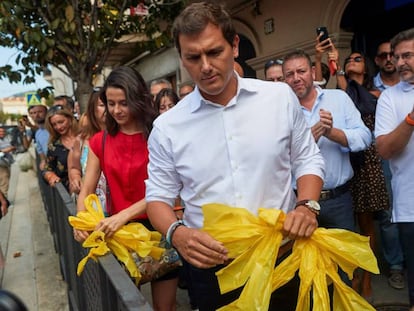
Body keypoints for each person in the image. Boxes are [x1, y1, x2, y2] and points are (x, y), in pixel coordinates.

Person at [145, 3, 325, 310]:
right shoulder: (166, 127)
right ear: (182, 59)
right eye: (193, 57)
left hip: (283, 260)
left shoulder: (279, 98)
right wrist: (177, 233)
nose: (205, 66)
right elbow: (157, 197)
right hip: (214, 270)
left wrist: (307, 206)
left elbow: (307, 159)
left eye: (214, 52)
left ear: (235, 46)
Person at [73, 66, 177, 311]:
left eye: (123, 103)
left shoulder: (159, 134)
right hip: (119, 235)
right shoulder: (101, 140)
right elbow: (87, 187)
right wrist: (81, 220)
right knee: (126, 305)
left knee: (166, 308)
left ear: (138, 99)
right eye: (111, 103)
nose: (117, 110)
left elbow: (165, 188)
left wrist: (122, 215)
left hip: (160, 226)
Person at [282, 49, 371, 233]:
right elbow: (277, 159)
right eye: (290, 74)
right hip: (299, 205)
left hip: (338, 200)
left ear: (313, 73)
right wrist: (308, 139)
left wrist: (332, 133)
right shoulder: (281, 110)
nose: (296, 78)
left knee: (346, 260)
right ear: (285, 80)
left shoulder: (338, 98)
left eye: (301, 71)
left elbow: (365, 138)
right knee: (306, 261)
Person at [326, 46, 390, 301]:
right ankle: (349, 275)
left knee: (367, 227)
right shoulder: (343, 94)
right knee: (348, 227)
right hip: (346, 161)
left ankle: (366, 280)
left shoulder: (375, 93)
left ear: (366, 67)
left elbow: (362, 101)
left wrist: (341, 73)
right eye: (348, 59)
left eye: (357, 59)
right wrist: (330, 63)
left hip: (369, 165)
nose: (351, 62)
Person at [375, 27, 414, 311]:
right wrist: (411, 119)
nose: (400, 62)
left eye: (408, 55)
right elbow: (385, 149)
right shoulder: (390, 98)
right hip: (410, 206)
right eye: (397, 57)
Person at [373, 40, 405, 291]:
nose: (390, 60)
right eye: (384, 55)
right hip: (386, 162)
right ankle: (396, 266)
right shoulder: (377, 92)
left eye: (392, 55)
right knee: (389, 214)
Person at [68, 89, 107, 211]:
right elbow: (74, 168)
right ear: (92, 109)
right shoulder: (81, 140)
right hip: (92, 207)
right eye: (102, 105)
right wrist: (75, 178)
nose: (107, 109)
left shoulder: (122, 137)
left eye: (109, 103)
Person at [42, 105, 78, 191]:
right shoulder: (54, 146)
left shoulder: (84, 136)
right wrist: (50, 176)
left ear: (70, 119)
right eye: (54, 124)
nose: (58, 127)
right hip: (69, 193)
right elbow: (47, 169)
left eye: (61, 122)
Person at [0, 127, 16, 196]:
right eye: (0, 132)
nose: (2, 133)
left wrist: (12, 148)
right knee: (4, 183)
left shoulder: (5, 139)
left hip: (7, 163)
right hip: (1, 165)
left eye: (3, 131)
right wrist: (7, 150)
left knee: (5, 182)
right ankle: (5, 203)